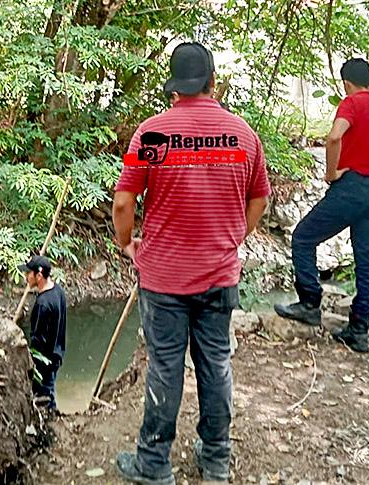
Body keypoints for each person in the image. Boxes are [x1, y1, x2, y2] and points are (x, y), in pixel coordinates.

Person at [113, 42, 270, 485]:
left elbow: (124, 202)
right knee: (215, 364)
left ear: (173, 88)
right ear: (212, 83)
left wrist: (127, 244)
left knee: (165, 367)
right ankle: (216, 458)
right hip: (219, 276)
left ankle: (154, 464)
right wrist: (234, 237)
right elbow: (260, 199)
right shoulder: (242, 135)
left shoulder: (152, 135)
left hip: (164, 278)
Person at [274, 58, 369, 353]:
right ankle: (358, 331)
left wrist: (331, 173)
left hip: (350, 187)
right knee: (367, 262)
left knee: (303, 238)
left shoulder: (352, 103)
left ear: (347, 84)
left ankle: (309, 303)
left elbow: (334, 137)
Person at [18, 255, 66, 411]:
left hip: (45, 361)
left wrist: (31, 363)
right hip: (57, 353)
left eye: (28, 273)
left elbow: (38, 340)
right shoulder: (58, 290)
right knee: (49, 389)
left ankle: (50, 419)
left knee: (44, 396)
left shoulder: (43, 304)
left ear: (39, 276)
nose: (26, 277)